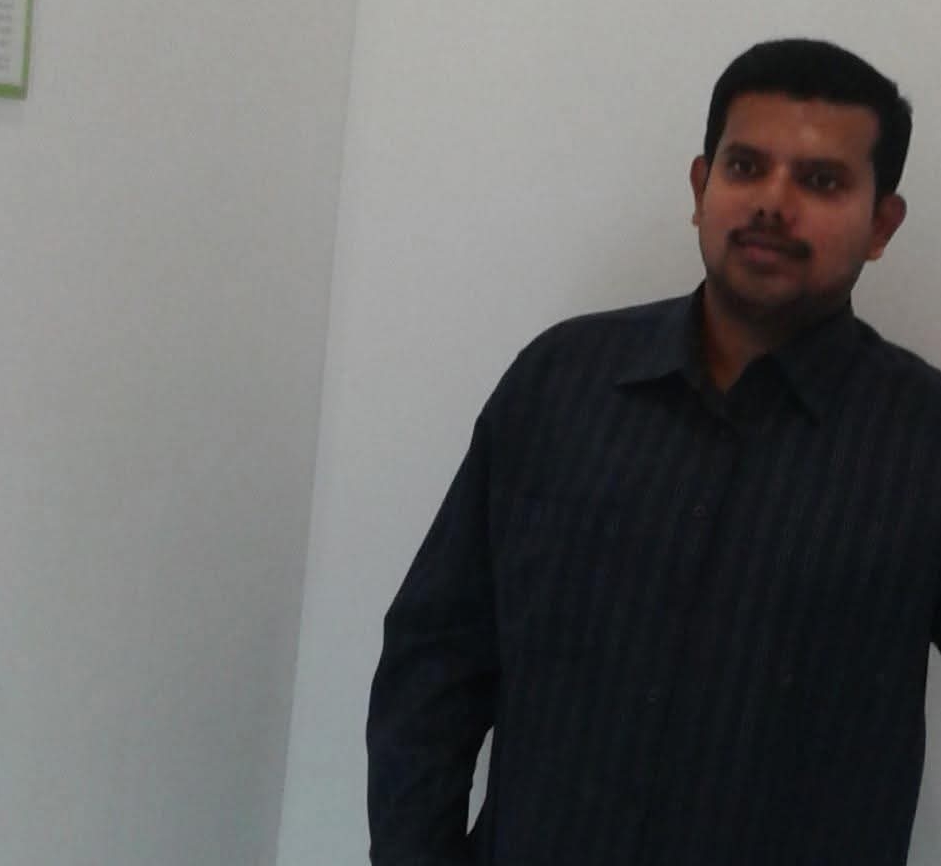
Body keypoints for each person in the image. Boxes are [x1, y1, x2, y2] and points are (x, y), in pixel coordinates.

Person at [367, 38, 941, 866]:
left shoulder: (921, 438)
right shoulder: (560, 381)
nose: (771, 202)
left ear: (881, 223)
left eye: (820, 181)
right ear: (701, 187)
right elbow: (435, 659)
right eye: (745, 167)